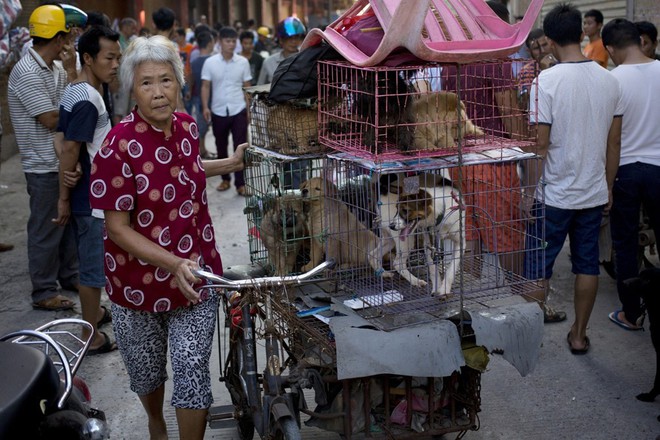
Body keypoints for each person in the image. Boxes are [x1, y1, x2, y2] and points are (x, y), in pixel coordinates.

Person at [89, 35, 248, 439]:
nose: (158, 92)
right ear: (132, 91)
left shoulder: (188, 126)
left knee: (191, 368)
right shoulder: (117, 146)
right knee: (146, 372)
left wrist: (230, 162)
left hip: (196, 275)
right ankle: (156, 423)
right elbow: (116, 227)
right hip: (137, 283)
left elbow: (189, 169)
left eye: (166, 80)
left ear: (180, 84)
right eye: (147, 83)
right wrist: (171, 262)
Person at [524, 3, 622, 353]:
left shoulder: (544, 82)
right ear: (582, 33)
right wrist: (608, 187)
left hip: (551, 195)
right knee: (586, 264)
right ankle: (579, 336)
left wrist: (526, 192)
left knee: (537, 266)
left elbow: (540, 145)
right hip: (592, 192)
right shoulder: (609, 80)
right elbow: (614, 143)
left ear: (548, 41)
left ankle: (530, 340)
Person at [7, 4, 86, 310]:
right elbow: (53, 118)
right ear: (58, 38)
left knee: (66, 227)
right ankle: (43, 291)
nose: (71, 41)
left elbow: (73, 99)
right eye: (67, 35)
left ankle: (69, 276)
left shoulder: (54, 67)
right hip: (41, 164)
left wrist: (69, 73)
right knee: (46, 227)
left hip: (59, 159)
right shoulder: (27, 72)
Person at [53, 25, 121, 354]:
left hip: (88, 192)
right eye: (109, 58)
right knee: (93, 271)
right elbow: (68, 147)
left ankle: (93, 317)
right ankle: (89, 336)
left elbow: (60, 138)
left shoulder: (75, 90)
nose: (116, 64)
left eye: (118, 58)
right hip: (92, 198)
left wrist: (72, 168)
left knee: (92, 265)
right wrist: (64, 196)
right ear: (89, 58)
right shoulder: (88, 101)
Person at [601, 19, 660, 331]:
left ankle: (631, 313)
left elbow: (614, 140)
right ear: (639, 40)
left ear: (610, 48)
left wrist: (608, 185)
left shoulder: (614, 79)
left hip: (626, 170)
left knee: (624, 244)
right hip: (659, 168)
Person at [201, 26, 251, 195]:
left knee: (240, 146)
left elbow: (247, 87)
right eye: (227, 41)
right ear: (220, 42)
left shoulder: (243, 62)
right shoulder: (210, 62)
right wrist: (205, 106)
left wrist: (249, 108)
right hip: (218, 110)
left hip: (239, 109)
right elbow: (205, 86)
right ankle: (224, 180)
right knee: (220, 146)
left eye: (233, 41)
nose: (231, 44)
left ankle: (240, 184)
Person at [188, 31, 215, 158]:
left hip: (198, 97)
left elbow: (190, 78)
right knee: (208, 126)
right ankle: (202, 150)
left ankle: (202, 149)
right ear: (210, 44)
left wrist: (188, 91)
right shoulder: (214, 61)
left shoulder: (194, 62)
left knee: (201, 125)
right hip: (213, 97)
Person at [257, 17, 306, 85]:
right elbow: (259, 87)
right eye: (289, 38)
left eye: (296, 37)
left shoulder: (306, 60)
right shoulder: (268, 62)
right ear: (281, 40)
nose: (293, 41)